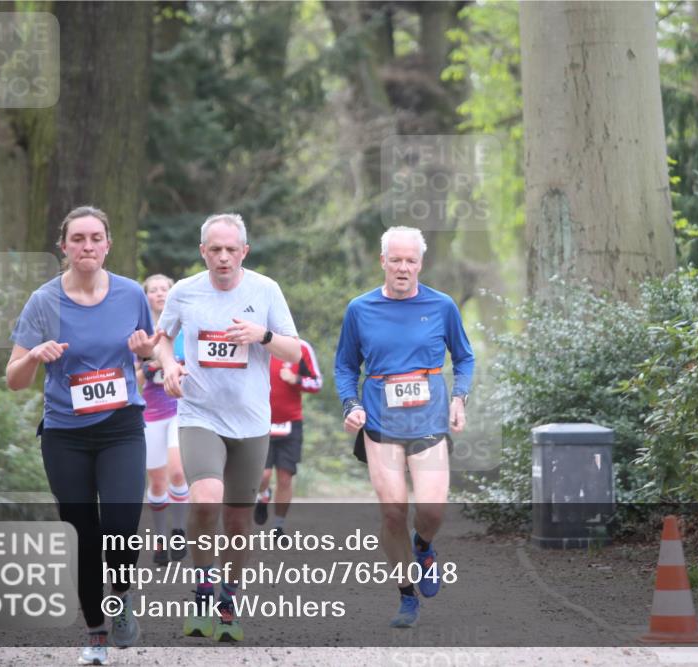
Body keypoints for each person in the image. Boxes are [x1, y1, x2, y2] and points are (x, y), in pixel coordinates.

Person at [7, 206, 161, 665]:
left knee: (119, 526)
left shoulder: (131, 294)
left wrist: (148, 352)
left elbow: (150, 354)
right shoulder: (43, 301)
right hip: (65, 434)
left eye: (96, 238)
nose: (87, 246)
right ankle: (95, 633)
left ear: (108, 244)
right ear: (64, 246)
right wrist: (34, 354)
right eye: (78, 239)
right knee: (82, 534)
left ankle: (120, 599)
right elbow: (14, 378)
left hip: (121, 429)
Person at [152, 213, 301, 642]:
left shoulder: (265, 290)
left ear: (244, 252)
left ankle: (228, 599)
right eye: (214, 249)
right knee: (204, 499)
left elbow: (293, 352)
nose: (222, 257)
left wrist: (263, 335)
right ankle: (202, 590)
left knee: (238, 521)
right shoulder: (185, 291)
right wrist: (169, 366)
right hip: (200, 413)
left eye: (230, 250)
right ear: (202, 252)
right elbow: (162, 338)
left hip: (251, 422)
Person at [334, 226, 474, 628]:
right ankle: (406, 596)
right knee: (393, 511)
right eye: (395, 259)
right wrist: (351, 404)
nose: (402, 267)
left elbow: (464, 358)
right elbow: (345, 366)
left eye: (410, 260)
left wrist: (459, 398)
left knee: (431, 510)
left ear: (420, 264)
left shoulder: (442, 305)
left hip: (428, 419)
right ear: (382, 262)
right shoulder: (360, 309)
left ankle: (424, 547)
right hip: (380, 421)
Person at [137, 274, 189, 566]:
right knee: (157, 482)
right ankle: (160, 539)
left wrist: (175, 366)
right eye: (153, 290)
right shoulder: (139, 334)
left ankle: (179, 529)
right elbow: (129, 379)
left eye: (164, 289)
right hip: (149, 413)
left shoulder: (184, 330)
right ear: (146, 298)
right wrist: (149, 367)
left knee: (178, 473)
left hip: (180, 409)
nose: (159, 294)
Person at [254, 339, 323, 535]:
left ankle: (278, 525)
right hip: (260, 422)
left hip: (290, 423)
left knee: (285, 478)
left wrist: (297, 379)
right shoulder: (257, 344)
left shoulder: (301, 347)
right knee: (263, 475)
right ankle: (263, 495)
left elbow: (317, 382)